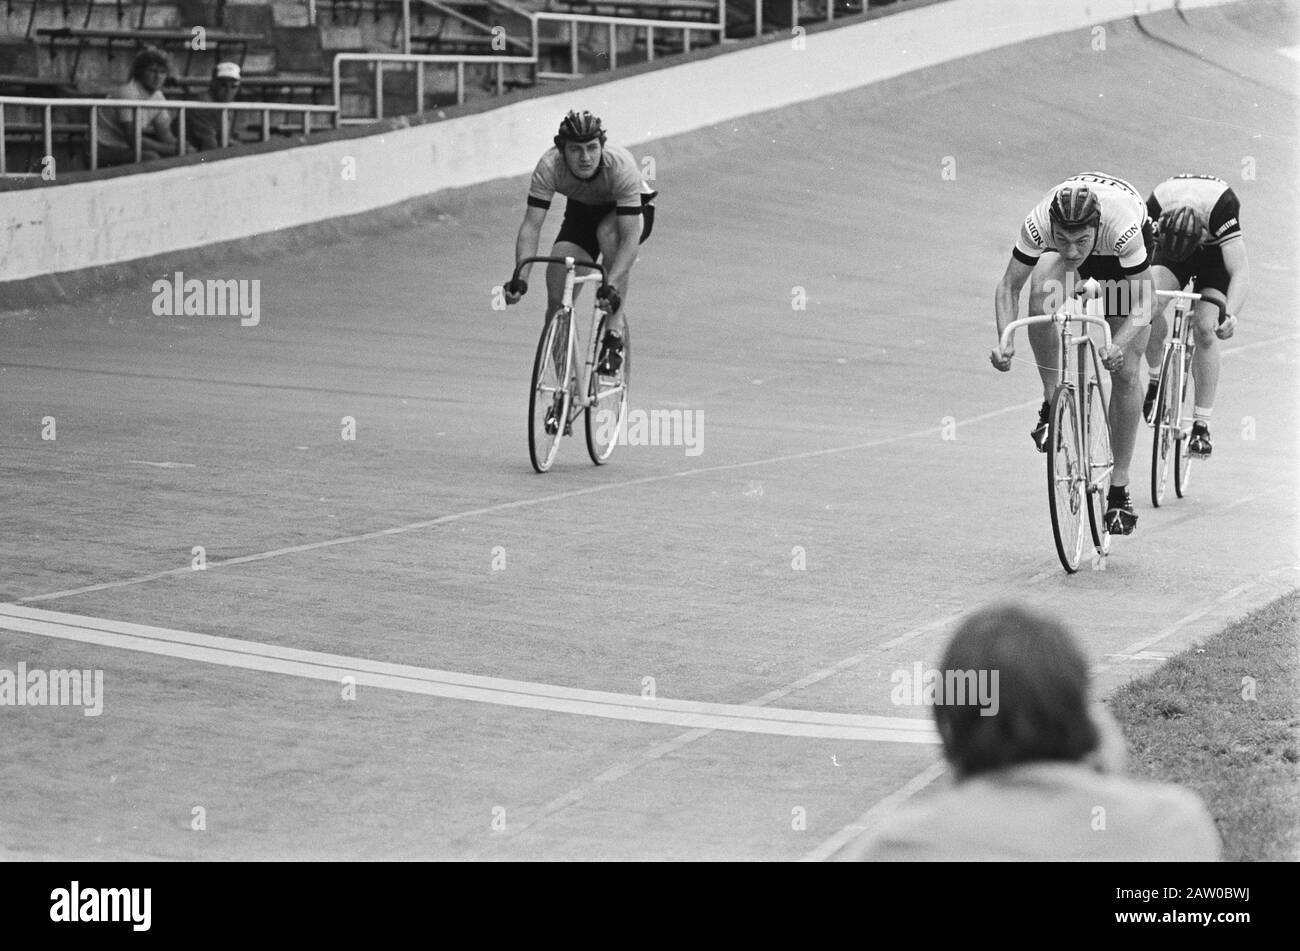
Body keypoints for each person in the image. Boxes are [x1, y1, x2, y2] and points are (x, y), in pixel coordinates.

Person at [851, 603, 1222, 861]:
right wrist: (1106, 776)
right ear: (1083, 718)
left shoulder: (900, 847)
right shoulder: (1173, 827)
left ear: (948, 728)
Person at [990, 173, 1158, 536]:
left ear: (1095, 227)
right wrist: (1005, 337)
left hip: (1119, 265)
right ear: (1053, 228)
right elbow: (1009, 286)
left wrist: (1119, 344)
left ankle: (1119, 491)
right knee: (1041, 296)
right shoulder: (1039, 223)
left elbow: (1146, 302)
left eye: (1080, 239)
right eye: (1062, 239)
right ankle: (1052, 400)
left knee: (1126, 371)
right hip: (1079, 267)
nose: (1070, 249)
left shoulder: (1123, 228)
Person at [503, 110, 657, 431]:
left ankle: (613, 333)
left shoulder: (621, 167)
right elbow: (531, 227)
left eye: (591, 148)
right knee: (558, 289)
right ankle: (562, 389)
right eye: (575, 150)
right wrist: (520, 277)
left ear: (602, 146)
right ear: (562, 150)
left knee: (608, 236)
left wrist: (610, 282)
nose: (585, 157)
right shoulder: (549, 167)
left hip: (625, 214)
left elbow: (630, 240)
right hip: (582, 214)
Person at [1141, 174, 1248, 458]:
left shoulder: (1223, 208)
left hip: (1214, 256)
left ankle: (1201, 425)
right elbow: (1136, 269)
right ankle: (1156, 380)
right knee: (1146, 308)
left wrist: (1230, 315)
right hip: (1172, 248)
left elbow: (1239, 271)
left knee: (1204, 327)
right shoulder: (1156, 204)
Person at [97, 48, 180, 167]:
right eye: (152, 71)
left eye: (162, 72)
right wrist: (173, 150)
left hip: (123, 148)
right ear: (140, 72)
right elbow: (133, 139)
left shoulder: (158, 96)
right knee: (151, 157)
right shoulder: (127, 93)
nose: (157, 77)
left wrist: (183, 146)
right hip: (101, 148)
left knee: (183, 152)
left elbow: (165, 135)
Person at [177, 61, 242, 153]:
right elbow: (209, 144)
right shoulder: (202, 105)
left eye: (233, 86)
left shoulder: (226, 105)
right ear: (213, 83)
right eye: (223, 85)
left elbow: (226, 139)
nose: (229, 90)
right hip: (182, 154)